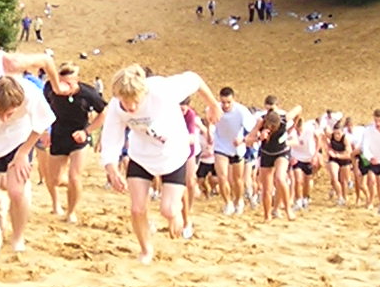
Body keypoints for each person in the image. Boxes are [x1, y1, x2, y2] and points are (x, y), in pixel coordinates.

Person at [100, 64, 221, 262]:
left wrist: (213, 104)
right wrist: (112, 168)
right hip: (141, 155)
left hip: (173, 154)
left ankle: (178, 215)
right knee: (137, 208)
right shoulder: (115, 106)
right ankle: (146, 250)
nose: (130, 107)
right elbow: (111, 139)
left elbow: (194, 78)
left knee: (168, 210)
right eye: (125, 102)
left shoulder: (161, 89)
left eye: (135, 102)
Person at [0, 75, 54, 253]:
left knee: (17, 191)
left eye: (9, 114)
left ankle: (18, 238)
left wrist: (24, 152)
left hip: (19, 140)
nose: (3, 118)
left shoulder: (31, 94)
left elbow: (43, 122)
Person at [42, 63, 106, 222]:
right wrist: (45, 131)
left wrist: (87, 132)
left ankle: (71, 212)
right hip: (58, 134)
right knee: (54, 179)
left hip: (79, 136)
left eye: (69, 83)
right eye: (61, 82)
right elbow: (43, 109)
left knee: (74, 176)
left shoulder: (88, 93)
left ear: (77, 80)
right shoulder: (50, 88)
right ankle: (72, 189)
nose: (64, 87)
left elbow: (104, 112)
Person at [212, 87, 256, 215]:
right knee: (222, 176)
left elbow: (253, 128)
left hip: (237, 148)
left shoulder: (241, 111)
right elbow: (209, 119)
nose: (225, 105)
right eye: (223, 102)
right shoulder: (215, 108)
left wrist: (242, 139)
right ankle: (228, 203)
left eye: (228, 102)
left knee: (237, 180)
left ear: (233, 100)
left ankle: (239, 200)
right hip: (220, 146)